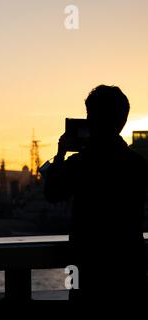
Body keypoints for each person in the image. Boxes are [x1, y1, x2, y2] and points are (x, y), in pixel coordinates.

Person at [44, 85, 147, 301]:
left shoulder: (80, 163)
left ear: (92, 120)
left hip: (87, 268)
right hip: (130, 270)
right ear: (123, 121)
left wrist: (60, 154)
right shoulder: (139, 164)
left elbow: (52, 193)